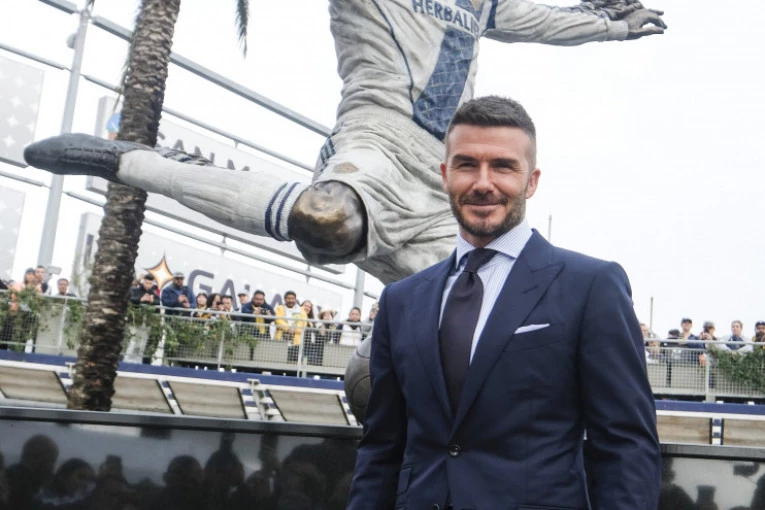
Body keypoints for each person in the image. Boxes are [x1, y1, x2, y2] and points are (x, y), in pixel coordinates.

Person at [23, 0, 666, 285]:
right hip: (377, 141)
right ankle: (137, 162)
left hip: (447, 177)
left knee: (483, 320)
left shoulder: (483, 1)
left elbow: (549, 21)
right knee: (325, 220)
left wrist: (612, 25)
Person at [347, 97, 660, 509]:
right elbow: (381, 449)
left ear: (531, 182)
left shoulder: (591, 287)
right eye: (466, 164)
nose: (483, 183)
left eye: (503, 166)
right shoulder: (400, 301)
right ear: (444, 175)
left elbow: (625, 444)